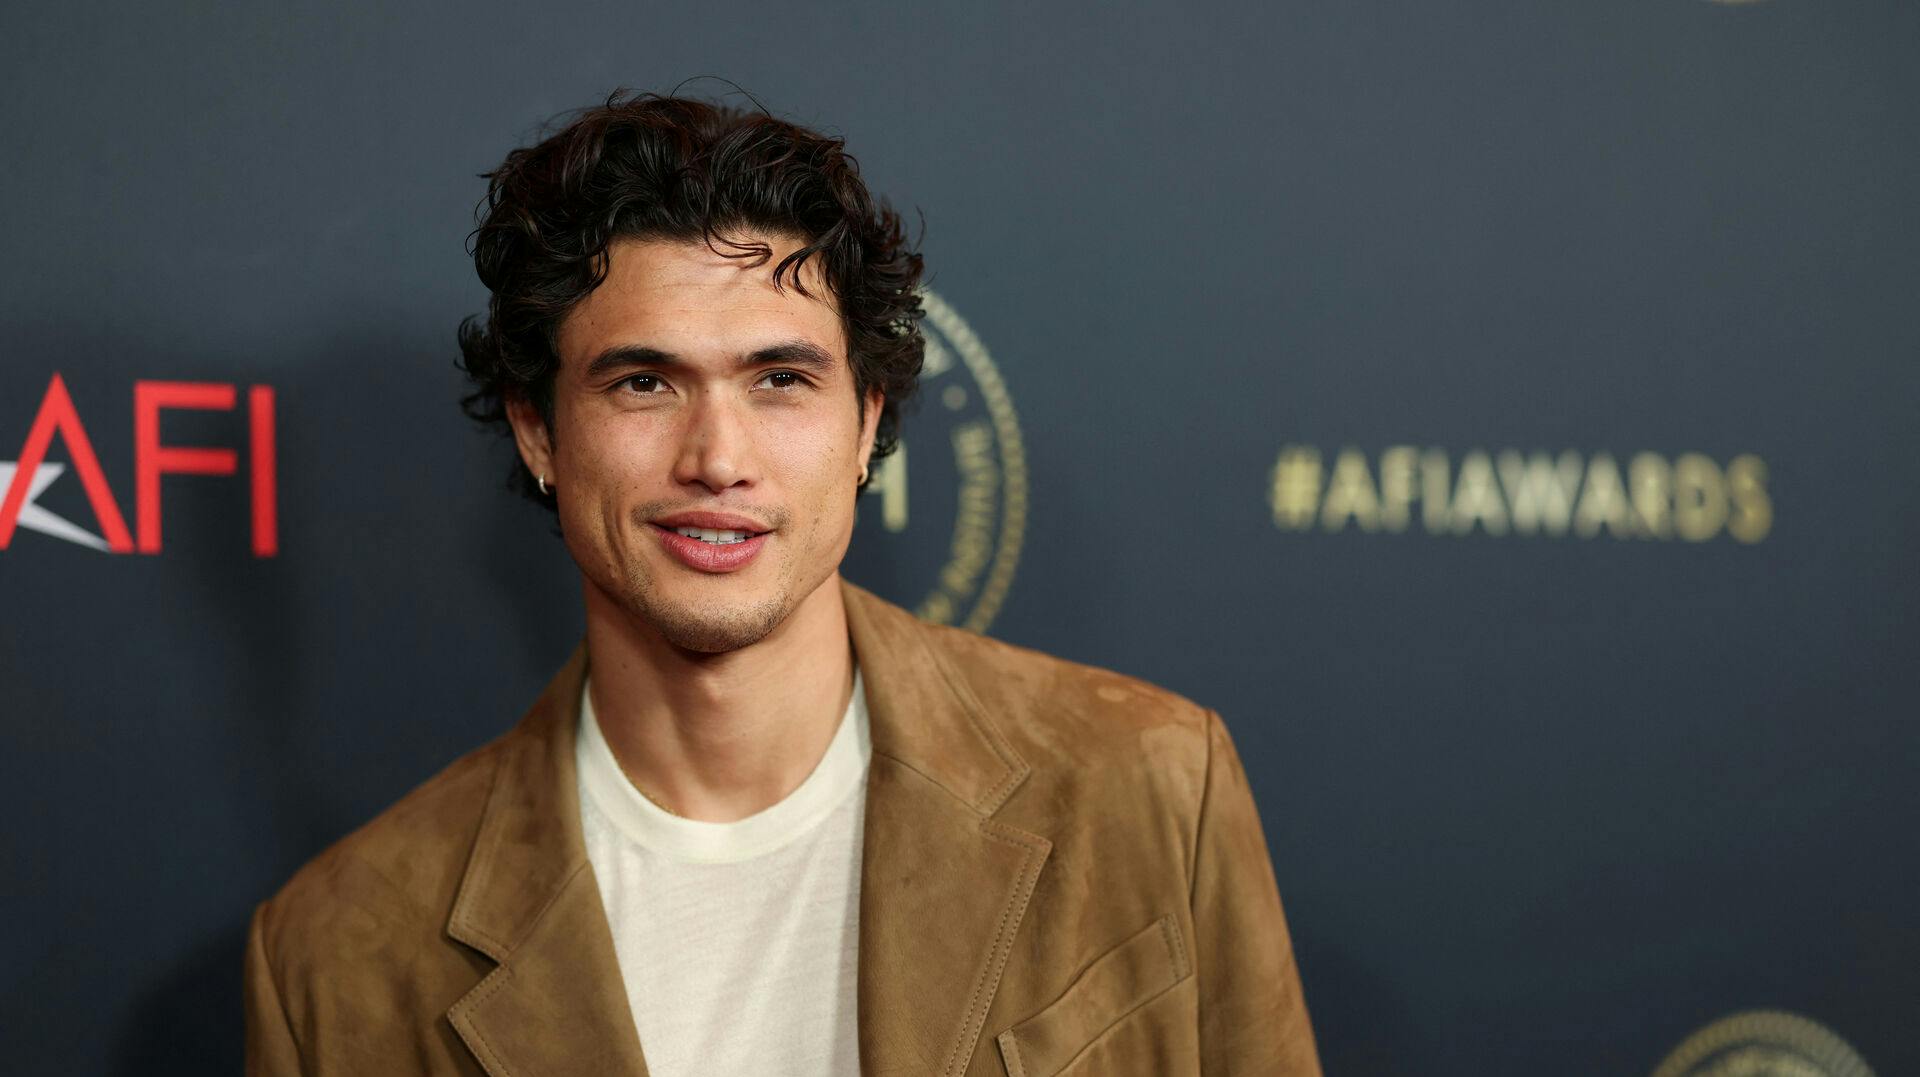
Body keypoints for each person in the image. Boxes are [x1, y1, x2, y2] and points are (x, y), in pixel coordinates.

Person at [242, 91, 1320, 1077]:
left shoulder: (1154, 787)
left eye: (780, 379)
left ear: (867, 426)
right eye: (645, 381)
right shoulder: (334, 959)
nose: (718, 456)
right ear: (539, 432)